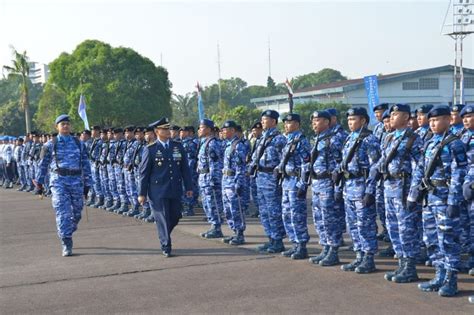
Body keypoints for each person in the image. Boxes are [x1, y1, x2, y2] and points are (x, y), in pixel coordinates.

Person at [409, 105, 467, 297]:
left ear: (448, 120)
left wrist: (453, 202)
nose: (433, 124)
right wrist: (413, 194)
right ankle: (439, 275)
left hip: (445, 198)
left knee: (448, 240)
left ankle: (451, 280)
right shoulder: (429, 143)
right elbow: (420, 170)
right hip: (430, 198)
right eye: (431, 120)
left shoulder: (454, 143)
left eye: (437, 120)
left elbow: (459, 174)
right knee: (432, 239)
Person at [369, 104, 423, 283]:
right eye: (390, 114)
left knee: (406, 228)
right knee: (393, 227)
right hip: (388, 186)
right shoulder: (389, 137)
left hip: (404, 188)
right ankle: (401, 262)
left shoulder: (414, 139)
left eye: (396, 114)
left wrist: (414, 194)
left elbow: (419, 168)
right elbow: (382, 161)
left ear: (407, 117)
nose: (391, 117)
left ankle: (410, 267)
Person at [34, 114, 92, 256]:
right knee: (63, 213)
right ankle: (66, 241)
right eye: (62, 124)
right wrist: (39, 183)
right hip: (59, 181)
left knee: (77, 213)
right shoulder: (50, 144)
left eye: (67, 123)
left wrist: (88, 183)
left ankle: (65, 230)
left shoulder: (79, 143)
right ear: (57, 127)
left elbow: (86, 164)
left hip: (76, 181)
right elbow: (43, 165)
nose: (65, 126)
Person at [138, 117, 193, 257]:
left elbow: (185, 169)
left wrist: (189, 187)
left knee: (175, 216)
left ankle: (163, 233)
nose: (168, 131)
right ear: (157, 131)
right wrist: (142, 193)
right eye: (164, 129)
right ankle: (166, 245)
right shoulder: (150, 149)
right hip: (157, 191)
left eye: (168, 128)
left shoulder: (177, 146)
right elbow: (144, 173)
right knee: (162, 217)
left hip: (174, 188)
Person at [335, 107, 380, 274]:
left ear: (363, 121)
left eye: (353, 119)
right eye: (348, 120)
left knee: (364, 224)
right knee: (353, 224)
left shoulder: (369, 140)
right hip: (349, 186)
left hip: (361, 186)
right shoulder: (349, 139)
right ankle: (359, 255)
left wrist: (370, 191)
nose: (350, 122)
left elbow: (375, 166)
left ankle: (368, 258)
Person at [306, 110, 344, 266]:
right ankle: (325, 248)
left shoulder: (334, 140)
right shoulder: (317, 139)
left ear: (327, 122)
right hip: (316, 184)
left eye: (318, 120)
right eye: (313, 120)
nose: (314, 123)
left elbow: (340, 163)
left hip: (328, 184)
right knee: (319, 219)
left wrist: (337, 188)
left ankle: (333, 251)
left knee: (330, 219)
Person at [248, 110, 287, 253]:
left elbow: (284, 160)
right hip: (260, 177)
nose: (263, 122)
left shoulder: (279, 139)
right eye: (262, 119)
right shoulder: (261, 138)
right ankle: (270, 238)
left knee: (273, 211)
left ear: (274, 122)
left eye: (266, 119)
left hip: (271, 178)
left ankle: (278, 241)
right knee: (264, 211)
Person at [277, 113, 311, 260]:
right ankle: (294, 243)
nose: (286, 125)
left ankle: (302, 245)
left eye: (289, 123)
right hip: (286, 182)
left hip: (296, 182)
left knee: (297, 215)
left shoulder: (301, 141)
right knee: (287, 214)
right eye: (285, 123)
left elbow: (306, 164)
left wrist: (302, 185)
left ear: (297, 124)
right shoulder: (288, 140)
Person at [220, 120, 248, 245]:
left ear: (232, 130)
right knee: (228, 209)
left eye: (225, 130)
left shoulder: (238, 145)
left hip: (233, 182)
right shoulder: (227, 145)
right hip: (226, 181)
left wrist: (238, 183)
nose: (223, 132)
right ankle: (234, 231)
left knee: (236, 209)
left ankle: (240, 234)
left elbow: (240, 167)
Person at [197, 119, 224, 239]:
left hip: (209, 179)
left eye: (201, 127)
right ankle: (213, 226)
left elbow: (215, 164)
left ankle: (217, 228)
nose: (199, 130)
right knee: (207, 203)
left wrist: (213, 180)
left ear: (208, 129)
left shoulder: (213, 143)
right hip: (203, 178)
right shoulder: (205, 142)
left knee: (213, 204)